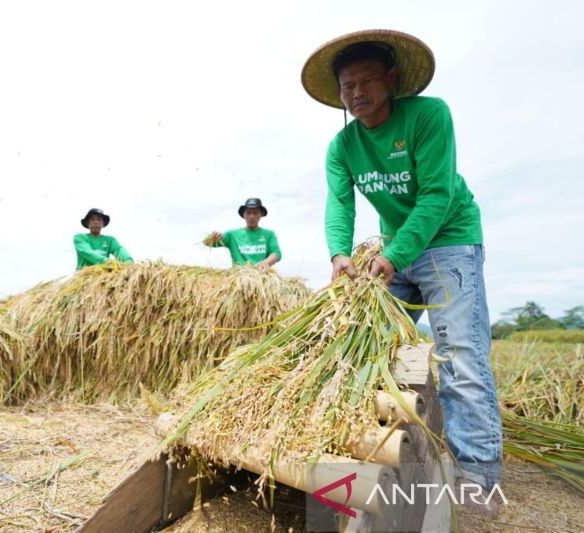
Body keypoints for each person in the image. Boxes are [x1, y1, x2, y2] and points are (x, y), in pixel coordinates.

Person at [302, 30, 502, 516]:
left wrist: (396, 254)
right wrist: (338, 255)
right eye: (347, 86)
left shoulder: (429, 116)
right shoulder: (342, 145)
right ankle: (364, 443)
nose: (357, 94)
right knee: (361, 343)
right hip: (394, 247)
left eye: (367, 81)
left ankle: (477, 472)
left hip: (448, 240)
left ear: (391, 79)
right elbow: (340, 204)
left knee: (460, 352)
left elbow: (437, 195)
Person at [205, 198, 281, 268]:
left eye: (255, 213)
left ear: (261, 214)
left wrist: (265, 263)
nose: (251, 216)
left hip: (261, 277)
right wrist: (213, 237)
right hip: (238, 276)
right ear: (243, 215)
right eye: (248, 213)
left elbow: (276, 253)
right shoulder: (232, 235)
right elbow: (207, 242)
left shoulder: (269, 234)